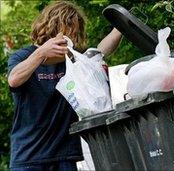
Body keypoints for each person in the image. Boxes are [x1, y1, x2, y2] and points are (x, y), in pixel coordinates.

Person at [7, 1, 122, 170]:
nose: (73, 36)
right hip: (29, 157)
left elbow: (99, 52)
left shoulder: (75, 61)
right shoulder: (23, 56)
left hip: (65, 156)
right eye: (69, 29)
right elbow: (14, 79)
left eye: (76, 32)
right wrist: (41, 53)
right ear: (52, 26)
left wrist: (121, 26)